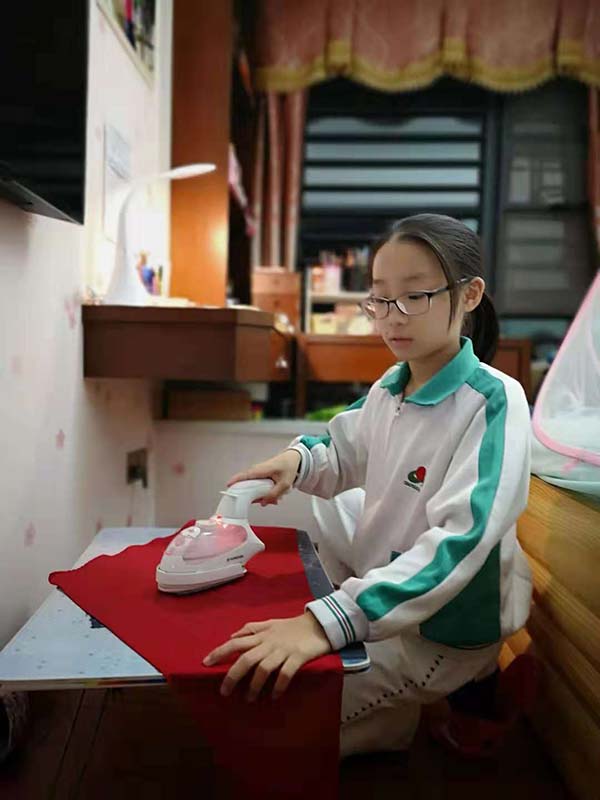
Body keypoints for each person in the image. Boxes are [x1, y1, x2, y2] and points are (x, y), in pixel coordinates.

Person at [203, 214, 533, 758]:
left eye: (414, 296)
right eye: (380, 298)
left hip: (439, 635)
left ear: (470, 295)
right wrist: (294, 462)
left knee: (268, 725)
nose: (392, 316)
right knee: (337, 503)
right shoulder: (391, 387)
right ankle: (392, 715)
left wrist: (324, 625)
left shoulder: (494, 402)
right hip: (387, 603)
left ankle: (432, 699)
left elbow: (459, 541)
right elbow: (342, 450)